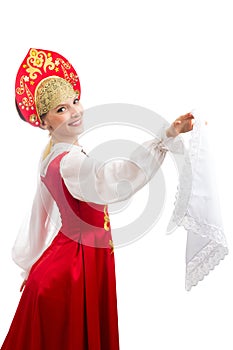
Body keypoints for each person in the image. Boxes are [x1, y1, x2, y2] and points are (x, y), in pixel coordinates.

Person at [0, 48, 194, 350]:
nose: (75, 111)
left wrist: (31, 265)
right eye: (61, 109)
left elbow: (40, 214)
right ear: (45, 122)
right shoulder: (71, 161)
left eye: (75, 101)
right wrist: (164, 138)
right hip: (75, 269)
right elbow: (118, 178)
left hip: (74, 261)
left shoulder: (53, 156)